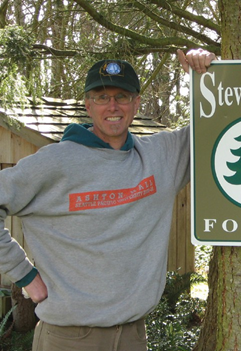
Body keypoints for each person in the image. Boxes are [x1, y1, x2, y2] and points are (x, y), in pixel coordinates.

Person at [0, 48, 215, 351]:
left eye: (122, 96)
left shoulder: (161, 156)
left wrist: (208, 76)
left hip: (133, 337)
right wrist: (24, 275)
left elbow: (218, 129)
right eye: (102, 97)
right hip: (68, 339)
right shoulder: (54, 162)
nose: (112, 105)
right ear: (88, 105)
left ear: (136, 103)